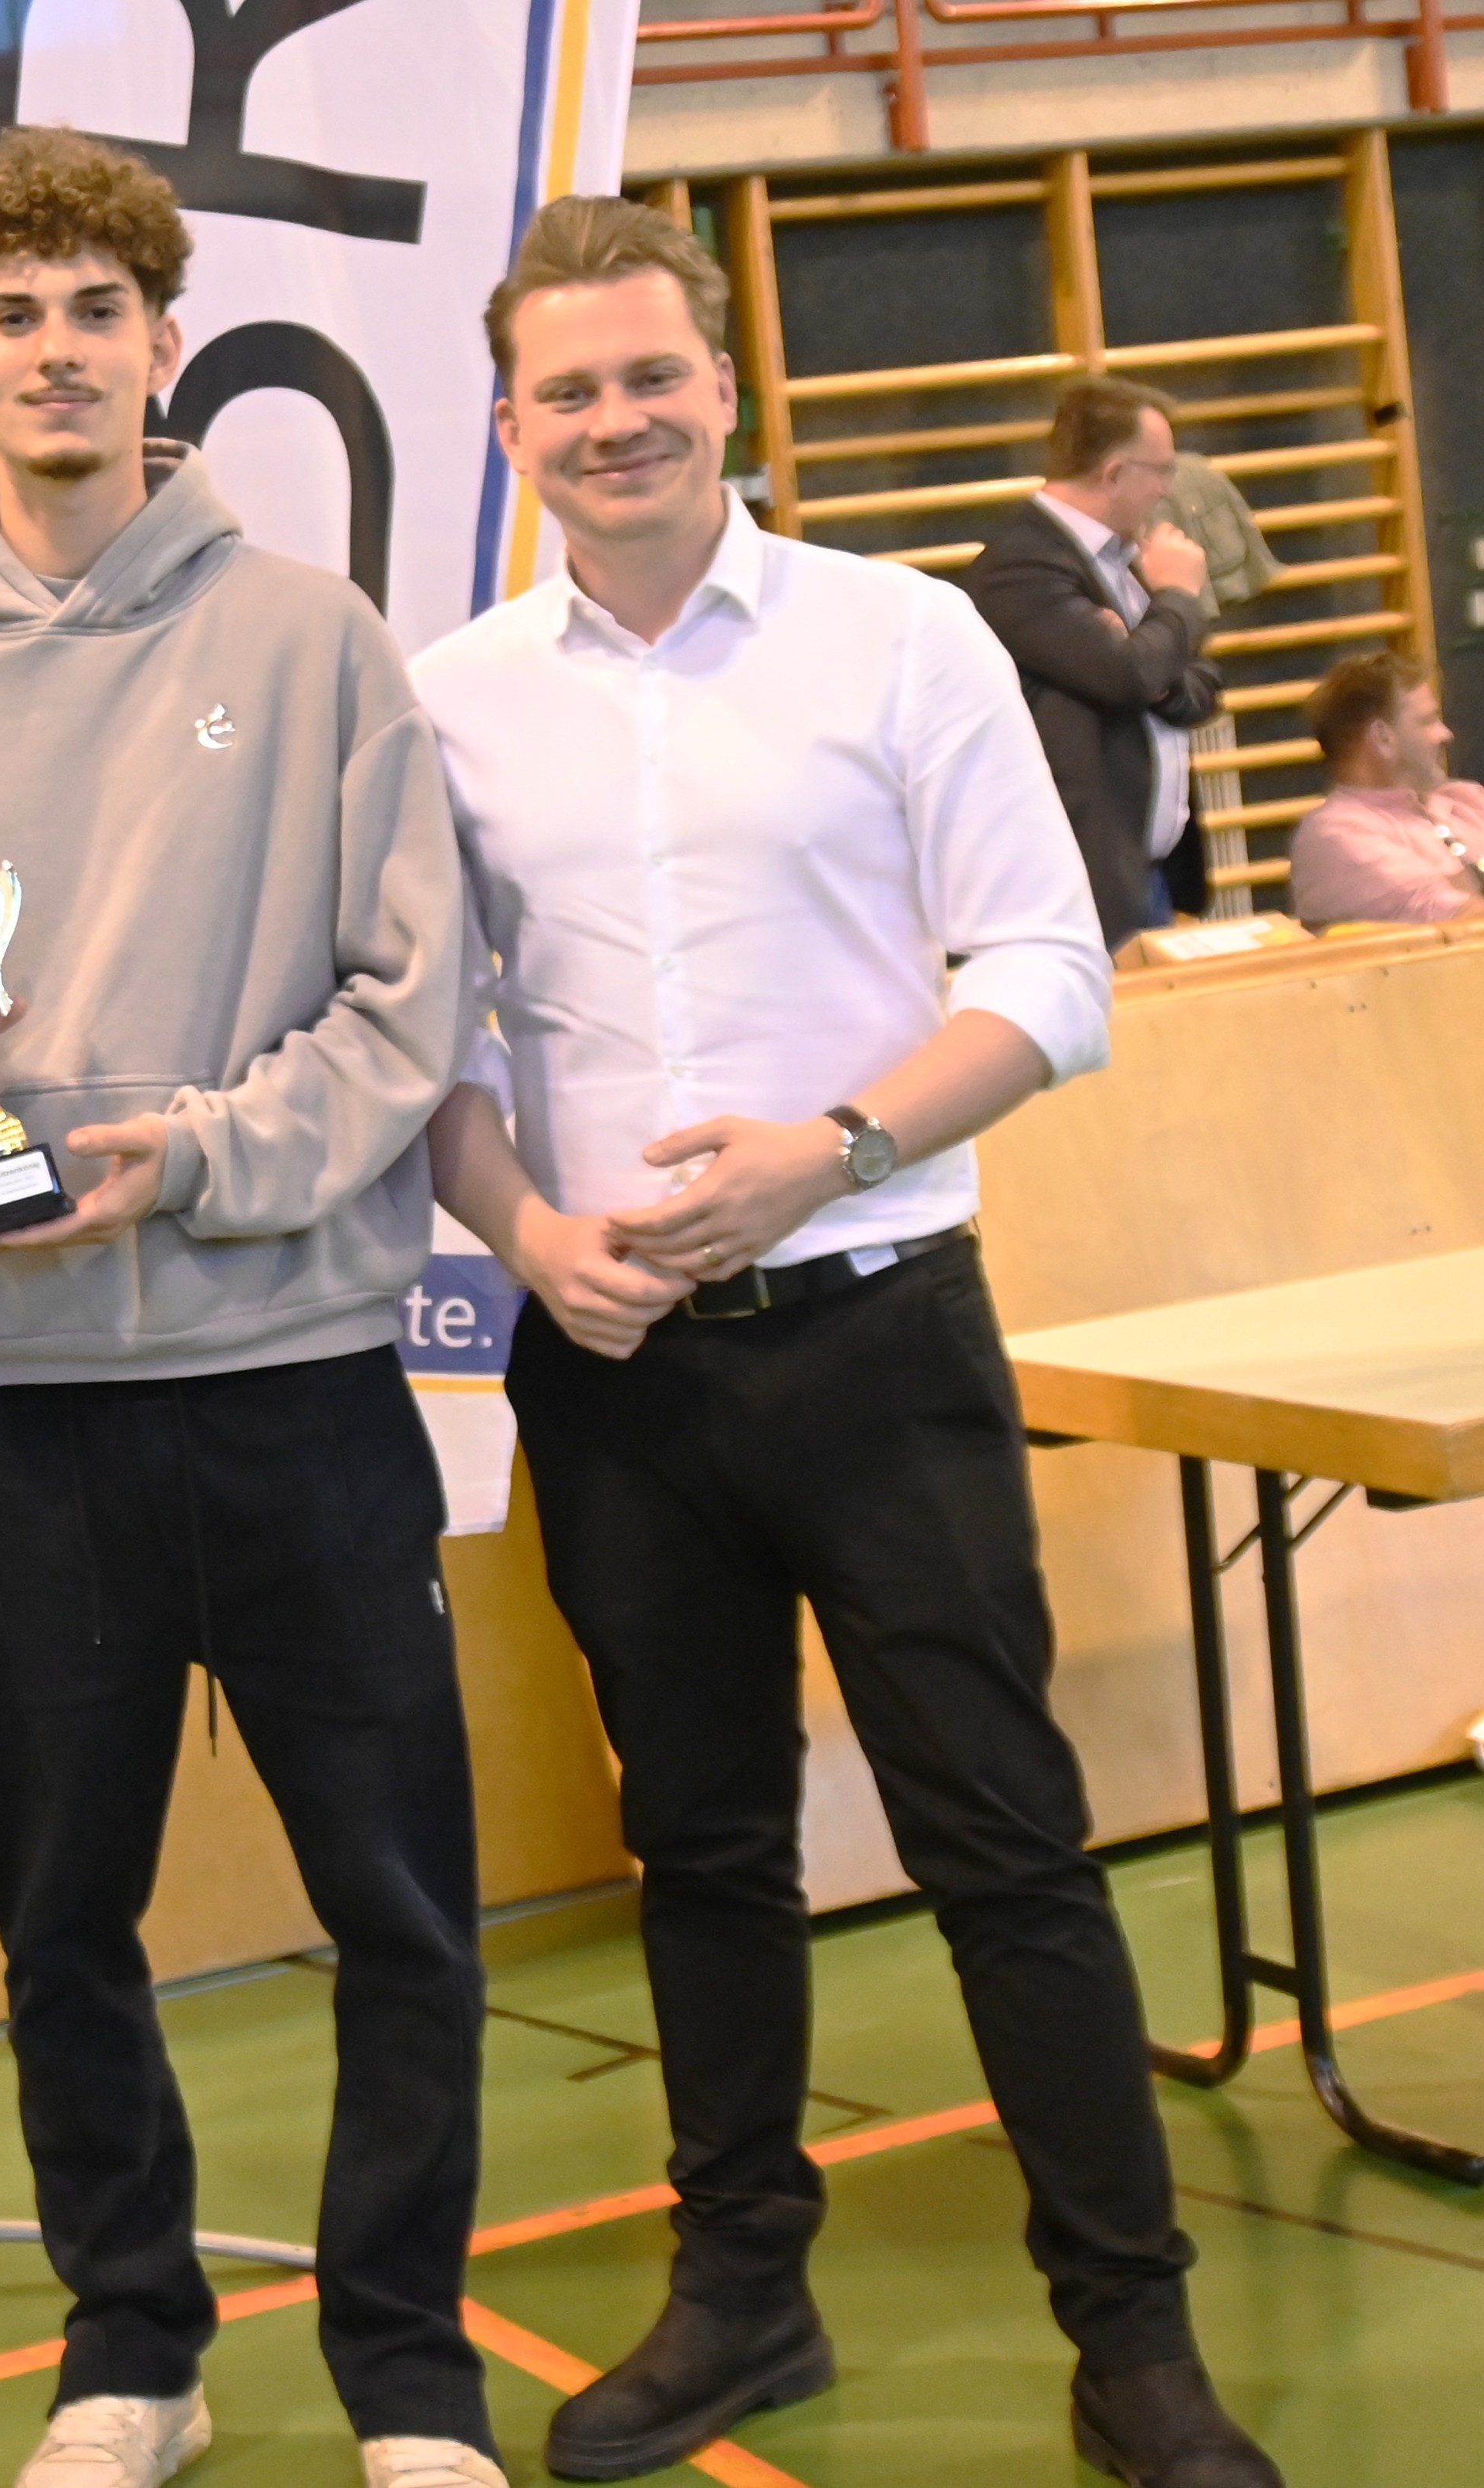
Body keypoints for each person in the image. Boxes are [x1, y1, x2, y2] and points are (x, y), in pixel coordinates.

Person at [411, 196, 1282, 2488]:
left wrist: (828, 1147)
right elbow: (425, 1048)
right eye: (566, 388)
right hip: (611, 1368)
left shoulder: (899, 638)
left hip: (878, 1333)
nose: (612, 418)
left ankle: (1131, 2341)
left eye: (649, 375)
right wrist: (524, 1234)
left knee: (1001, 1840)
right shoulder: (447, 699)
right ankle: (740, 2295)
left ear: (721, 390)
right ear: (507, 428)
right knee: (697, 1850)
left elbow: (1049, 976)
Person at [0, 128, 495, 2488]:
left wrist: (207, 1154)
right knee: (62, 1925)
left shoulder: (312, 637)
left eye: (98, 310)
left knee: (402, 1912)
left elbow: (412, 1003)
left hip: (299, 1387)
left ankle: (409, 2376)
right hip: (15, 1413)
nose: (58, 352)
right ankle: (129, 2354)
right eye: (15, 317)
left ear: (166, 344)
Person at [964, 375, 1226, 949]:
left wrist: (1154, 671)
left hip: (1151, 872)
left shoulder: (1125, 558)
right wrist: (1177, 599)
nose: (1166, 488)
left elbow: (1202, 682)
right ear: (1114, 473)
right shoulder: (1022, 567)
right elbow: (1130, 673)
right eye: (1161, 470)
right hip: (1083, 886)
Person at [1286, 651, 1484, 926]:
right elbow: (1459, 920)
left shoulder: (1466, 799)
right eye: (1428, 721)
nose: (1445, 734)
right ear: (1382, 738)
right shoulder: (1336, 836)